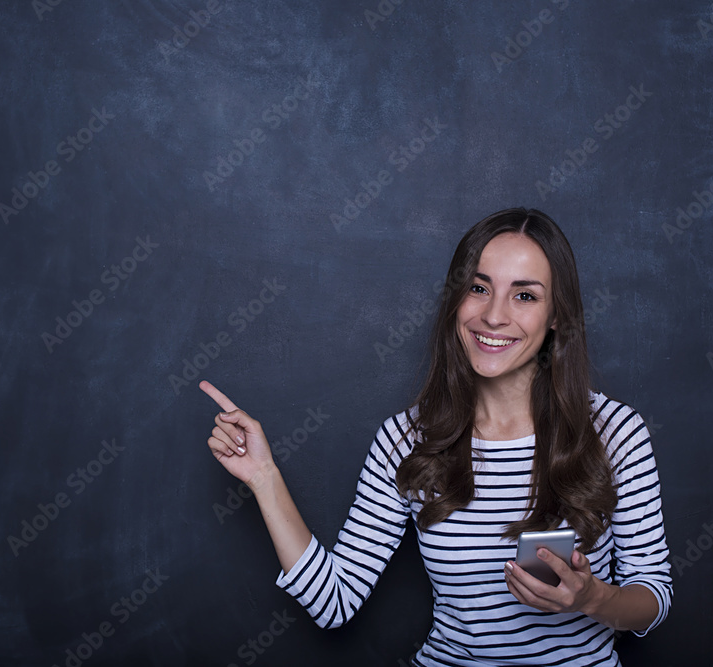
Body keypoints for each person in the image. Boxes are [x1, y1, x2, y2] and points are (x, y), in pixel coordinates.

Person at [200, 207, 672, 666]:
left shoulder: (615, 433)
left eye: (524, 296)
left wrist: (592, 597)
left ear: (556, 317)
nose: (493, 315)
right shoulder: (405, 440)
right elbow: (334, 602)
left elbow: (653, 597)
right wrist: (264, 477)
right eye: (478, 288)